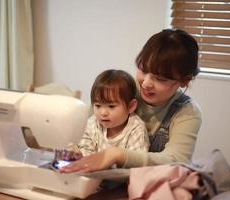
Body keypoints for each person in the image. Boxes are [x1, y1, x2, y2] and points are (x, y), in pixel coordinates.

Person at [60, 29, 202, 173]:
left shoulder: (187, 112)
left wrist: (117, 154)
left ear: (184, 81)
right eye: (143, 70)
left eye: (160, 78)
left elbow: (177, 160)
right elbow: (87, 127)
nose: (146, 83)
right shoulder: (121, 89)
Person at [57, 69, 149, 161]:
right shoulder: (92, 123)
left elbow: (136, 162)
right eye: (98, 105)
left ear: (131, 106)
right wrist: (78, 154)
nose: (103, 113)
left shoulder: (136, 128)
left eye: (111, 106)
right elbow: (85, 150)